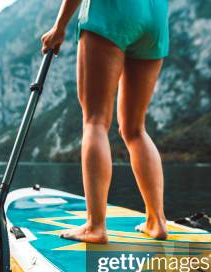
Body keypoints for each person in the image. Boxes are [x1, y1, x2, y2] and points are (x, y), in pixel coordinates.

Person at [41, 0, 170, 242]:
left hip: (112, 11)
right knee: (135, 129)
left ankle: (95, 226)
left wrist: (59, 27)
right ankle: (157, 221)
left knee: (95, 121)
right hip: (156, 17)